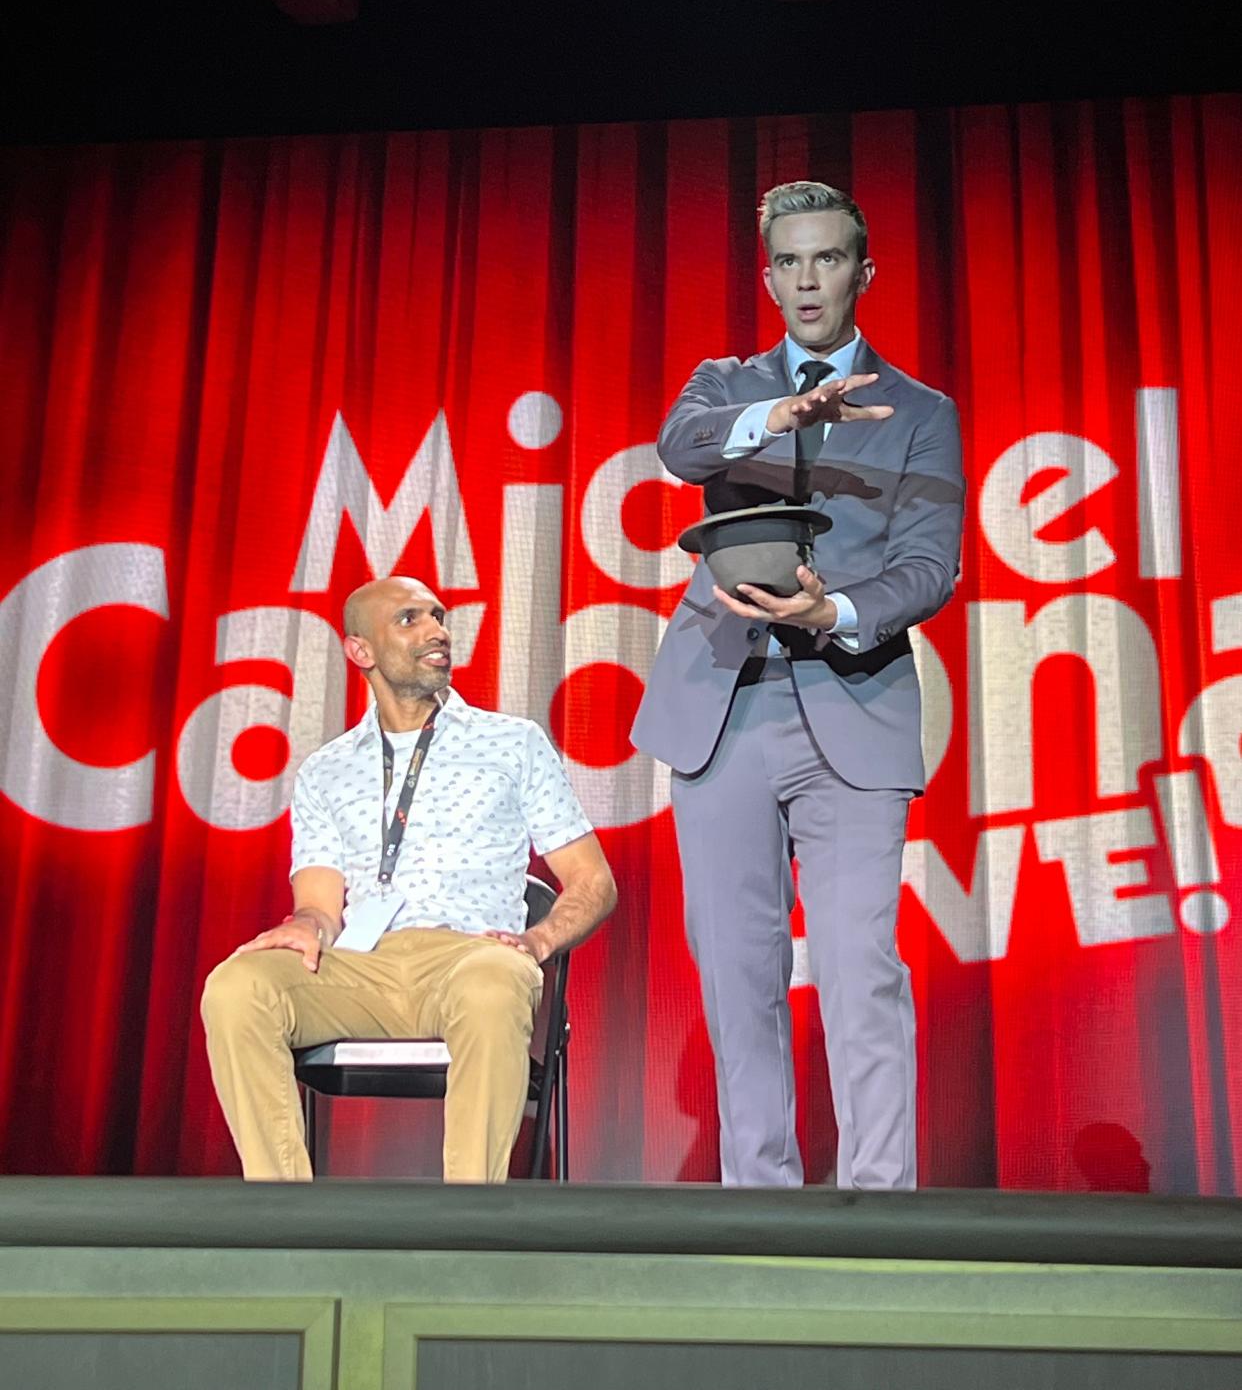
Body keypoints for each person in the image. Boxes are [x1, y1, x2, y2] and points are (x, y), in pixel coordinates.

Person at [631, 181, 964, 1190]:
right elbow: (678, 446)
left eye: (828, 259)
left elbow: (928, 563)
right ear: (767, 276)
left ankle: (877, 1207)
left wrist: (833, 614)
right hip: (722, 708)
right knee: (740, 977)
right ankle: (760, 1206)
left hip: (852, 703)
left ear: (865, 271)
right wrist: (785, 408)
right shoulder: (722, 385)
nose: (808, 279)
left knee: (862, 968)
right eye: (790, 261)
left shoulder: (920, 412)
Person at [202, 575, 616, 1182]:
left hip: (469, 958)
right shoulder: (327, 770)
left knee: (495, 982)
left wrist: (537, 942)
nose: (437, 631)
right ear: (360, 651)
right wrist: (304, 924)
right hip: (362, 968)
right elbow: (319, 904)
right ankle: (285, 1218)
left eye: (438, 616)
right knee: (237, 985)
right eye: (410, 619)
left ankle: (467, 1232)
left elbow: (593, 881)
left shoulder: (512, 743)